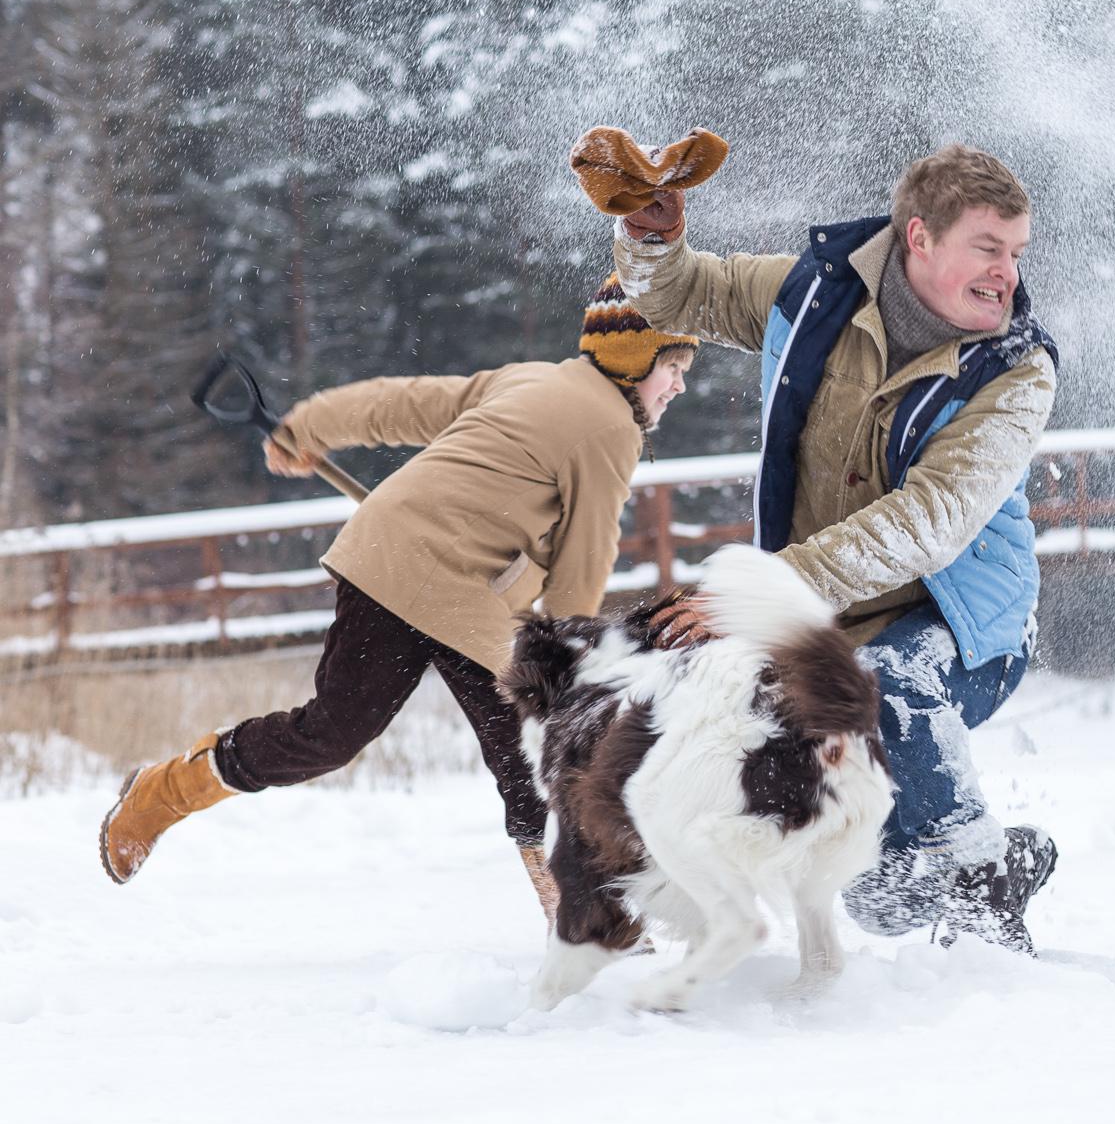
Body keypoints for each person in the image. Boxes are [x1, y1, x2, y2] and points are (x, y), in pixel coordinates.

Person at [97, 281, 697, 921]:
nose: (680, 385)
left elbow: (405, 404)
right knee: (535, 745)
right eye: (673, 368)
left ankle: (164, 793)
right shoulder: (610, 429)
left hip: (396, 562)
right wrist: (567, 662)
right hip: (432, 581)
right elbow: (587, 555)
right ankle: (589, 915)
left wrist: (312, 426)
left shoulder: (532, 378)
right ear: (634, 362)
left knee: (332, 733)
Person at [593, 136, 1060, 953]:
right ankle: (947, 868)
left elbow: (932, 519)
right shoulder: (812, 292)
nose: (1008, 274)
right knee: (879, 899)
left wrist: (762, 592)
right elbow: (679, 297)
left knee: (884, 683)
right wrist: (651, 239)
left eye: (1016, 252)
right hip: (824, 618)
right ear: (918, 237)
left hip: (967, 628)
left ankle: (985, 890)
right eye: (988, 248)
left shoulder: (1016, 373)